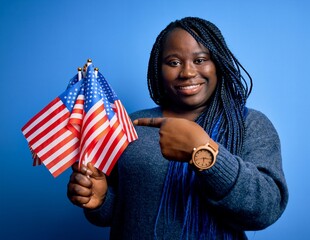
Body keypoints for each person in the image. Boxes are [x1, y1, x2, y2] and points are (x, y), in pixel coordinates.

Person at [67, 16, 288, 239]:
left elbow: (266, 210)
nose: (188, 73)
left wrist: (205, 153)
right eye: (173, 62)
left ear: (218, 64)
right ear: (158, 69)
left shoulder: (249, 125)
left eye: (200, 60)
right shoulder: (130, 125)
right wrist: (100, 200)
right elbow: (119, 214)